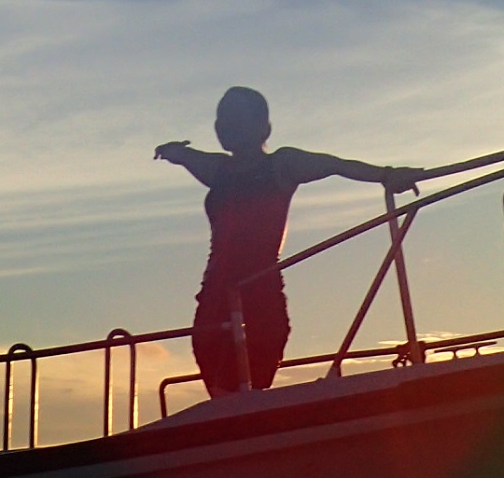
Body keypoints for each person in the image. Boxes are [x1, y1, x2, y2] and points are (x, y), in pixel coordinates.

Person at [156, 87, 420, 396]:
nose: (225, 125)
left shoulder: (281, 165)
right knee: (221, 388)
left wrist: (387, 175)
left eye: (235, 117)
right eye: (221, 118)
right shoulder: (219, 170)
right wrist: (174, 151)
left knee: (253, 377)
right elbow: (189, 157)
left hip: (260, 294)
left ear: (263, 128)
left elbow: (337, 164)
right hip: (214, 298)